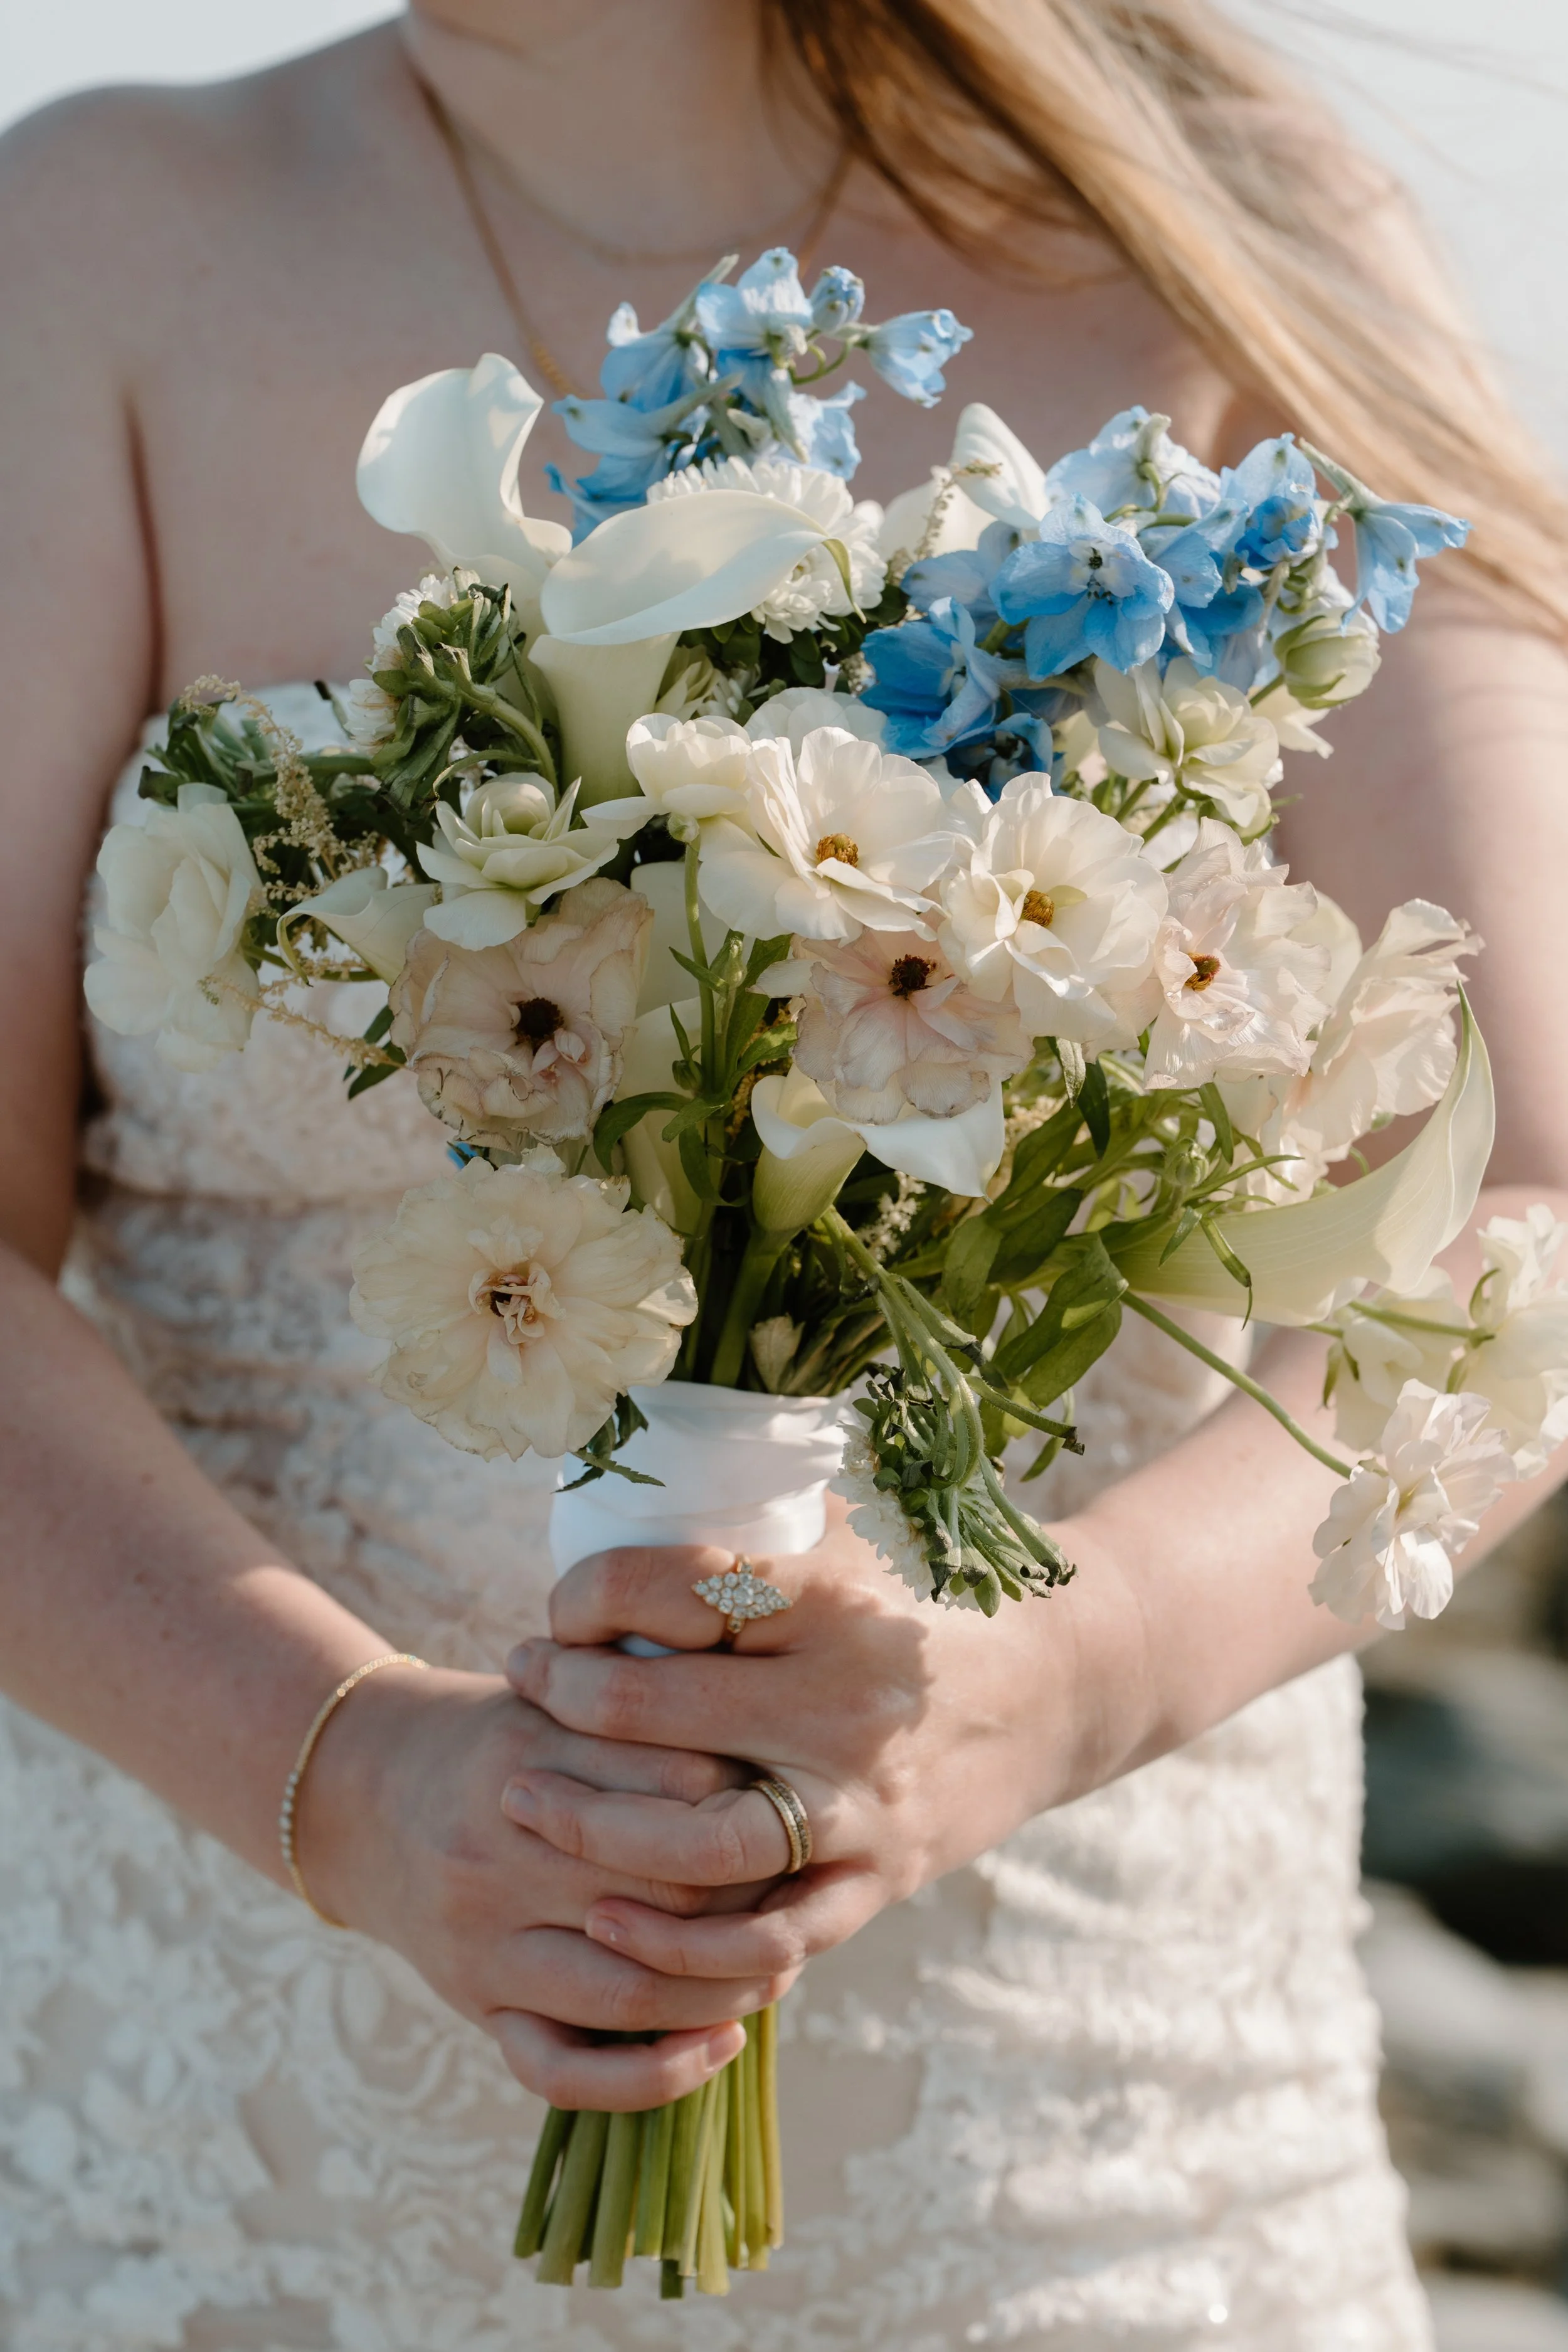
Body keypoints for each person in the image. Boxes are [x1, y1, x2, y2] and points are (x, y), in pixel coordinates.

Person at [3, 2, 1566, 2343]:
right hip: (248, 2184)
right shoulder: (95, 246)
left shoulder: (1227, 222)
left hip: (1089, 2176)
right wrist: (349, 1774)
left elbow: (1516, 1236)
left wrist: (1040, 1686)